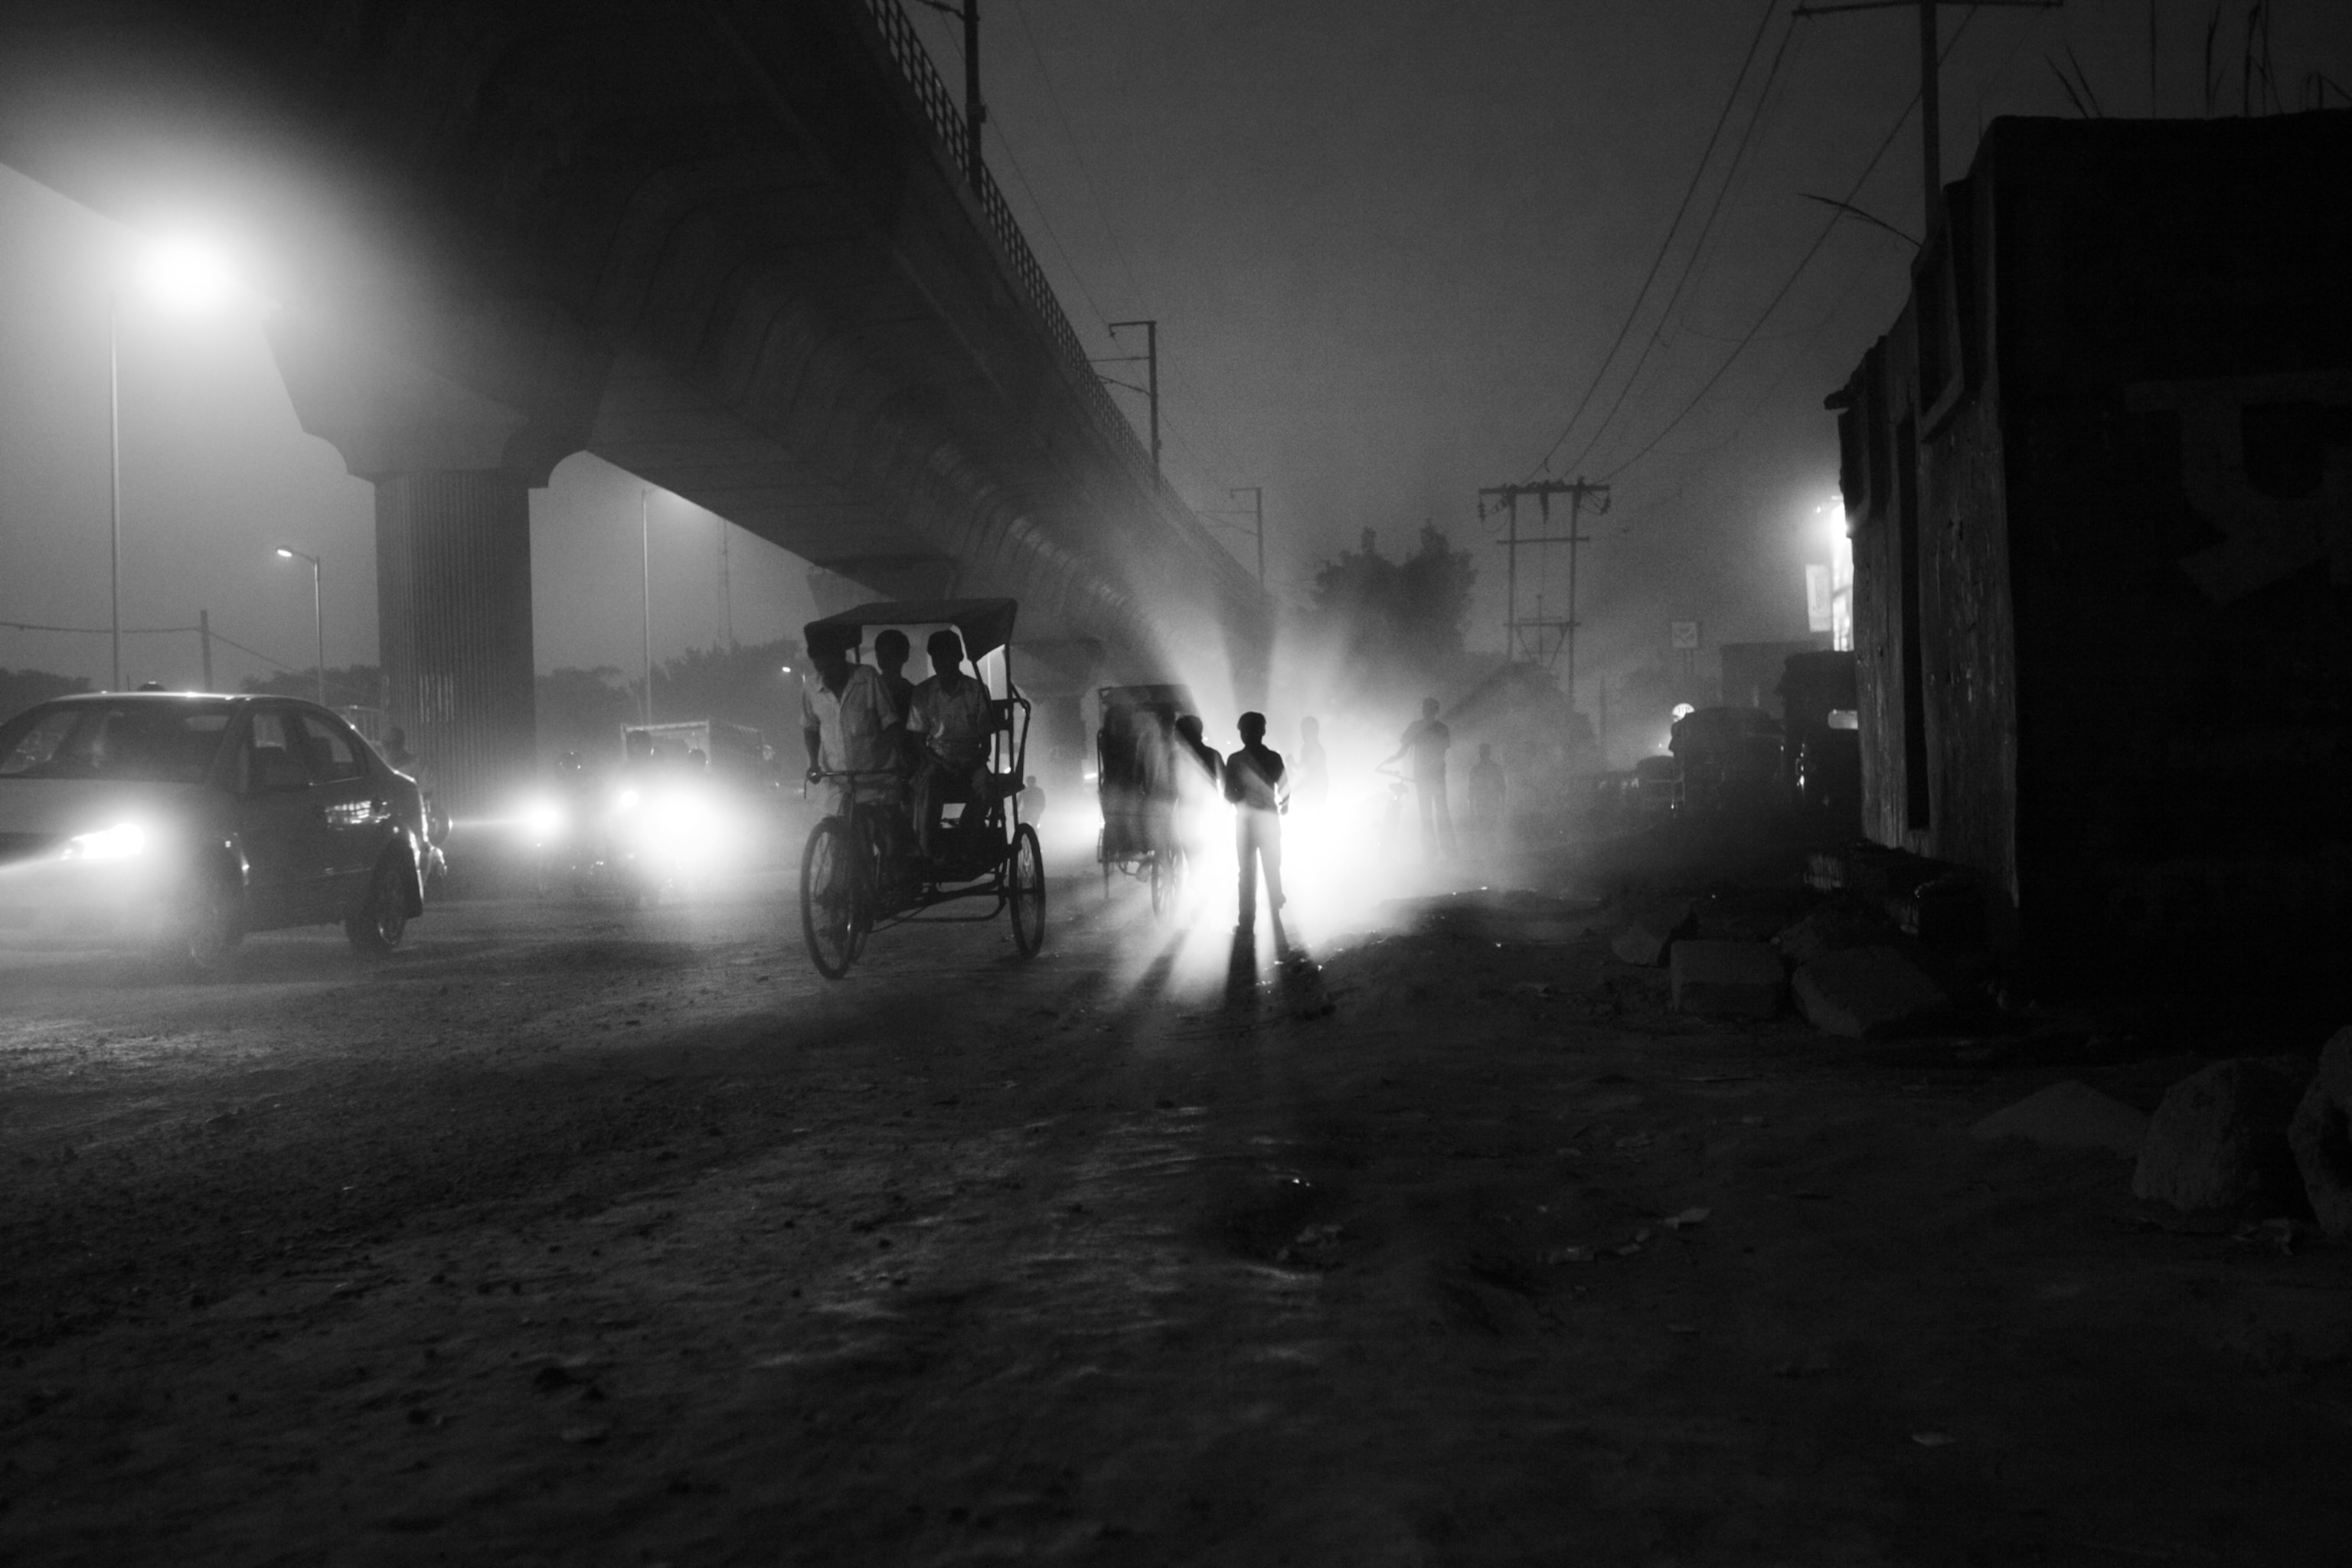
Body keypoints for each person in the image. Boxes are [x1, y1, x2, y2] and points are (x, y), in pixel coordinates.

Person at [906, 629, 994, 859]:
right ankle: (927, 848)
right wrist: (941, 763)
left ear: (958, 657)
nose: (941, 664)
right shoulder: (923, 692)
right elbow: (919, 741)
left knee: (985, 787)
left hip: (971, 761)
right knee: (930, 780)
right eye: (937, 659)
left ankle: (968, 839)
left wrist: (973, 763)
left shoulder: (976, 691)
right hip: (936, 761)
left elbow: (986, 743)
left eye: (946, 657)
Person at [799, 635, 902, 814]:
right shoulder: (810, 687)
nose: (825, 674)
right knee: (837, 834)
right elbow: (811, 728)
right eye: (819, 668)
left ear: (841, 658)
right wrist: (814, 764)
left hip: (875, 780)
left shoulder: (867, 677)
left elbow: (889, 721)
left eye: (829, 666)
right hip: (836, 781)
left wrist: (902, 758)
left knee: (889, 835)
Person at [1223, 710, 1288, 932]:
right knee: (1272, 866)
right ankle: (1274, 910)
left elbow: (1228, 794)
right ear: (1264, 731)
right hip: (1270, 821)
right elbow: (1285, 787)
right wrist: (1284, 805)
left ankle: (1247, 920)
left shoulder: (1234, 760)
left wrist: (1240, 802)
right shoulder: (1274, 758)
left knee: (1247, 872)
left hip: (1245, 824)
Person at [1382, 697, 1457, 861]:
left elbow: (1404, 750)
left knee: (1429, 813)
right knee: (1438, 812)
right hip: (1433, 776)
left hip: (1428, 775)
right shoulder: (1440, 728)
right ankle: (1444, 851)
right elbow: (1442, 753)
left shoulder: (1418, 727)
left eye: (1427, 708)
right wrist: (1391, 760)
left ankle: (1434, 852)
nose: (1426, 711)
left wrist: (1391, 760)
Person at [1468, 742, 1505, 844]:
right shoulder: (1495, 768)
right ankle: (1490, 848)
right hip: (1488, 801)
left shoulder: (1476, 770)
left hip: (1487, 801)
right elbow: (1502, 786)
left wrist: (1471, 805)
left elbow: (1472, 788)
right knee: (1489, 828)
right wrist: (1503, 802)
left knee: (1487, 828)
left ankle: (1489, 848)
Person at [1295, 716, 1329, 813]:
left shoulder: (1315, 750)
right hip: (1310, 796)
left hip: (1312, 797)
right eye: (1302, 731)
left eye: (1305, 731)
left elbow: (1309, 773)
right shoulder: (1306, 748)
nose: (1303, 735)